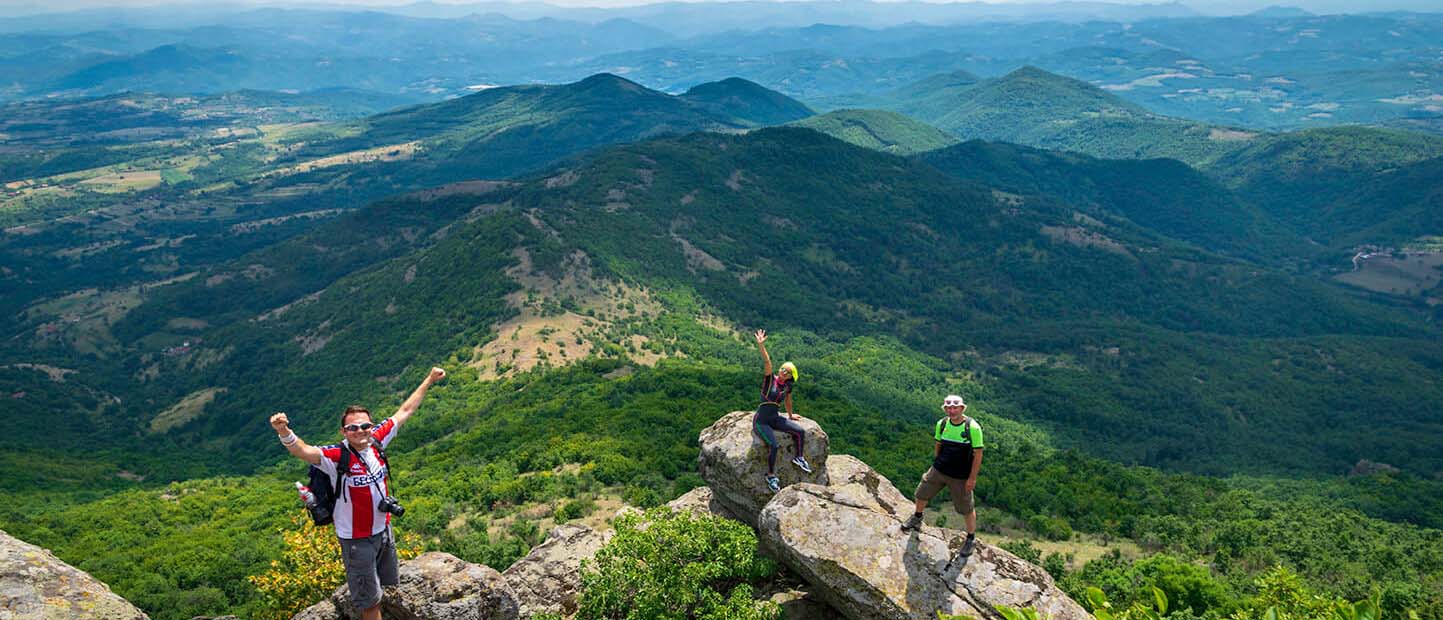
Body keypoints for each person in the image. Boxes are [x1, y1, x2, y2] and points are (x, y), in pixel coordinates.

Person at [269, 366, 447, 620]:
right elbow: (302, 451)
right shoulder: (336, 456)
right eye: (353, 428)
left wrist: (429, 380)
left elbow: (405, 410)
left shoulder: (376, 441)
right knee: (369, 603)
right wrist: (284, 431)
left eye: (365, 425)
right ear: (344, 432)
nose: (361, 430)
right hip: (356, 539)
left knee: (386, 589)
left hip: (383, 530)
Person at [901, 394, 984, 558]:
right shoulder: (942, 424)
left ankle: (971, 538)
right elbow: (938, 444)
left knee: (966, 508)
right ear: (945, 409)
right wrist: (937, 461)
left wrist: (972, 478)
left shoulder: (972, 428)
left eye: (955, 408)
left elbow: (978, 454)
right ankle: (917, 517)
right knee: (921, 493)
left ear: (962, 408)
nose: (952, 411)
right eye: (949, 408)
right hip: (939, 470)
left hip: (960, 476)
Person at [751, 329, 812, 493]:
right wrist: (761, 345)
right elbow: (767, 362)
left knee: (800, 431)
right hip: (761, 421)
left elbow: (788, 400)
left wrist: (790, 415)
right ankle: (771, 476)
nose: (783, 372)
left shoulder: (787, 386)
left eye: (788, 371)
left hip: (774, 418)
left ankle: (799, 458)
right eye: (783, 369)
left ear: (791, 376)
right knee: (774, 445)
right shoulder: (770, 380)